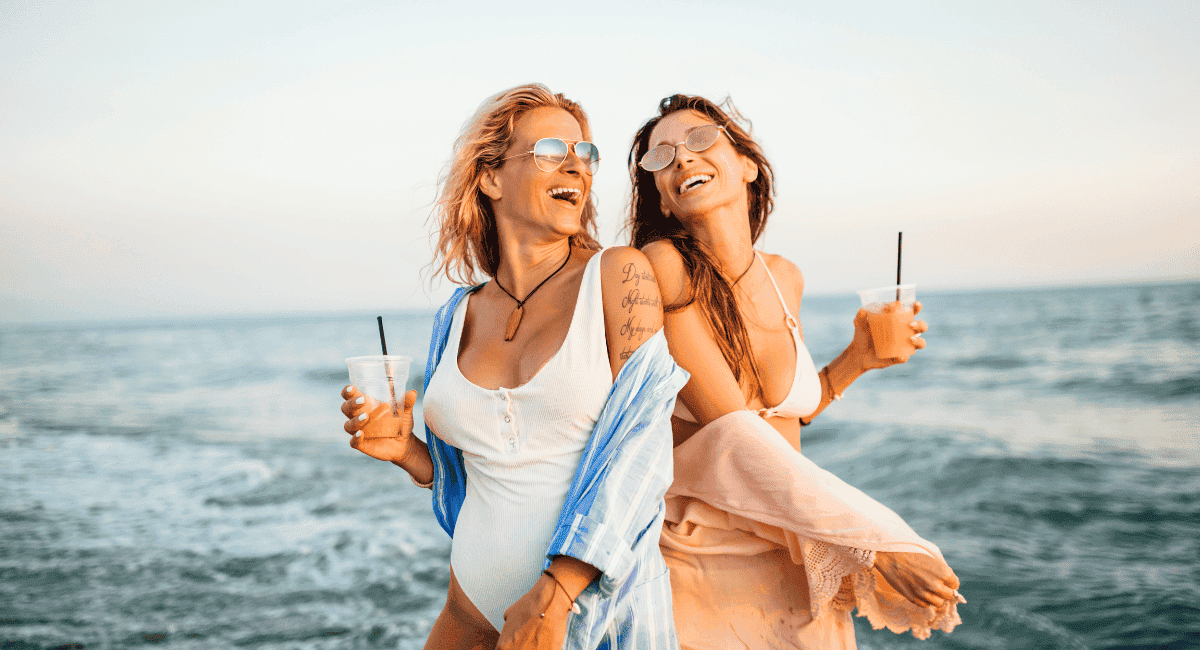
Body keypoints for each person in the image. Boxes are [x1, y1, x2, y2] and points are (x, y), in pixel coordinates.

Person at [340, 84, 686, 650]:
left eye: (586, 154)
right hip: (468, 617)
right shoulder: (456, 314)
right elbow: (487, 468)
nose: (577, 165)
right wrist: (407, 452)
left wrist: (554, 594)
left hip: (588, 621)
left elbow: (644, 450)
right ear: (491, 177)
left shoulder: (619, 277)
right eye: (553, 150)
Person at [627, 94, 965, 649]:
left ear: (748, 166)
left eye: (699, 140)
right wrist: (875, 543)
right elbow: (733, 434)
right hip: (705, 561)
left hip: (798, 548)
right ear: (661, 198)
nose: (682, 159)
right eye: (660, 157)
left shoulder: (785, 277)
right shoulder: (664, 268)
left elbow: (782, 422)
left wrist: (857, 359)